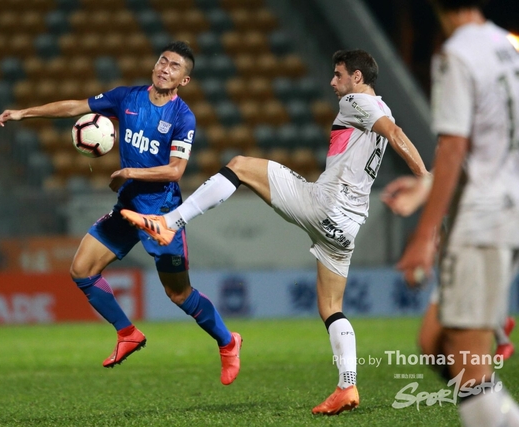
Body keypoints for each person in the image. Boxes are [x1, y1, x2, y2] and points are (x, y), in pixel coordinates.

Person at [121, 49, 430, 415]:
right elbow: (391, 129)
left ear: (357, 78)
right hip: (348, 226)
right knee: (331, 307)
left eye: (339, 74)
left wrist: (426, 180)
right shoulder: (382, 108)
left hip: (324, 203)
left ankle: (169, 222)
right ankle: (347, 385)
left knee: (240, 165)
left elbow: (394, 133)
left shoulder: (356, 101)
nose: (333, 82)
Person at [0, 41, 242, 385]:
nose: (165, 68)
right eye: (162, 61)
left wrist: (129, 172)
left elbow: (175, 171)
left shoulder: (182, 117)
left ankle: (228, 342)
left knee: (178, 294)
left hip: (161, 217)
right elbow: (76, 106)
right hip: (127, 209)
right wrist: (25, 113)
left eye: (174, 66)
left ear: (184, 80)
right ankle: (127, 332)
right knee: (82, 270)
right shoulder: (127, 97)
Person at [395, 0, 519, 425]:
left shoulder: (456, 54)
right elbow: (491, 142)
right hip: (506, 211)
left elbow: (453, 147)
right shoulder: (506, 46)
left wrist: (424, 235)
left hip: (482, 220)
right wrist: (426, 185)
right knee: (434, 342)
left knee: (466, 364)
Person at [381, 174, 516, 361]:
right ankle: (500, 326)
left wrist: (423, 190)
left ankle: (502, 338)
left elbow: (456, 162)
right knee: (431, 344)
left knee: (451, 342)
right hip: (467, 234)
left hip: (487, 229)